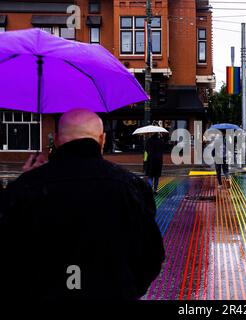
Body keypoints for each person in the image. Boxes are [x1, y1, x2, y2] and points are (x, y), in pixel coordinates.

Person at [0, 109, 165, 300]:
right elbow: (151, 254)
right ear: (102, 140)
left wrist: (26, 182)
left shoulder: (25, 189)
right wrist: (127, 288)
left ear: (57, 139)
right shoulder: (131, 187)